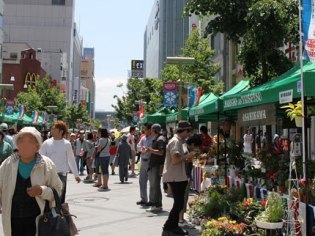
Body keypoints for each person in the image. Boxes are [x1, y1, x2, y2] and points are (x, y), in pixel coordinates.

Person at [0, 126, 63, 236]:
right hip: (12, 219)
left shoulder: (46, 165)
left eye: (30, 142)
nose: (25, 145)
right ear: (17, 144)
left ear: (37, 146)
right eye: (21, 141)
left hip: (38, 220)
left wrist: (41, 191)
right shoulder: (7, 164)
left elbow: (57, 191)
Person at [162, 121, 195, 236]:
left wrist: (187, 158)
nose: (189, 134)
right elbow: (175, 160)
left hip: (180, 176)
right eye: (188, 132)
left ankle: (174, 226)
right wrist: (188, 156)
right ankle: (168, 227)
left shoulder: (182, 142)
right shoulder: (175, 141)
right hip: (175, 176)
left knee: (180, 203)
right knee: (178, 204)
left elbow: (180, 158)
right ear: (184, 131)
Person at [39, 121, 81, 204]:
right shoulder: (46, 143)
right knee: (49, 198)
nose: (51, 131)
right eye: (51, 129)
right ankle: (50, 215)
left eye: (54, 129)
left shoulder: (66, 144)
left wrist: (76, 175)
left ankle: (58, 215)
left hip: (62, 175)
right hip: (49, 175)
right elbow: (40, 158)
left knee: (59, 199)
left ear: (61, 131)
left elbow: (71, 160)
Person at [179, 134, 202, 228]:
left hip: (185, 176)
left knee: (184, 198)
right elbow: (183, 161)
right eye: (196, 146)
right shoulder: (185, 149)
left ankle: (181, 218)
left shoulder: (186, 147)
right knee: (182, 198)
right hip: (184, 177)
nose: (196, 148)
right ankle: (180, 220)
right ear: (192, 144)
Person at [146, 123, 167, 213]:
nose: (150, 131)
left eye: (151, 129)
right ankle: (156, 204)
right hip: (154, 165)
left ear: (154, 130)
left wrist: (150, 150)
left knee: (155, 185)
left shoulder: (160, 139)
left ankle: (156, 205)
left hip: (157, 165)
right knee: (155, 185)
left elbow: (161, 152)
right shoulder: (158, 138)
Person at [136, 123, 154, 206]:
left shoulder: (153, 138)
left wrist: (145, 149)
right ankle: (143, 199)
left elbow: (151, 149)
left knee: (151, 182)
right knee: (142, 181)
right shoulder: (143, 138)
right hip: (143, 161)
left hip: (150, 161)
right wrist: (141, 148)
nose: (144, 131)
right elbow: (138, 146)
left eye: (146, 129)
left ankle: (151, 200)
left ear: (150, 130)